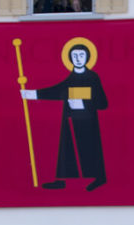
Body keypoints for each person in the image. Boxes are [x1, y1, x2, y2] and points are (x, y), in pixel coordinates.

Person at [21, 41, 108, 192]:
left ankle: (99, 178)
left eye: (81, 55)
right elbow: (58, 90)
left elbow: (102, 102)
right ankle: (62, 180)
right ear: (70, 58)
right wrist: (33, 94)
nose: (78, 58)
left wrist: (81, 99)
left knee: (91, 149)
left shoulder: (93, 77)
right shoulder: (71, 77)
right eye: (74, 56)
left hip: (88, 121)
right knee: (66, 149)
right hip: (70, 120)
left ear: (87, 57)